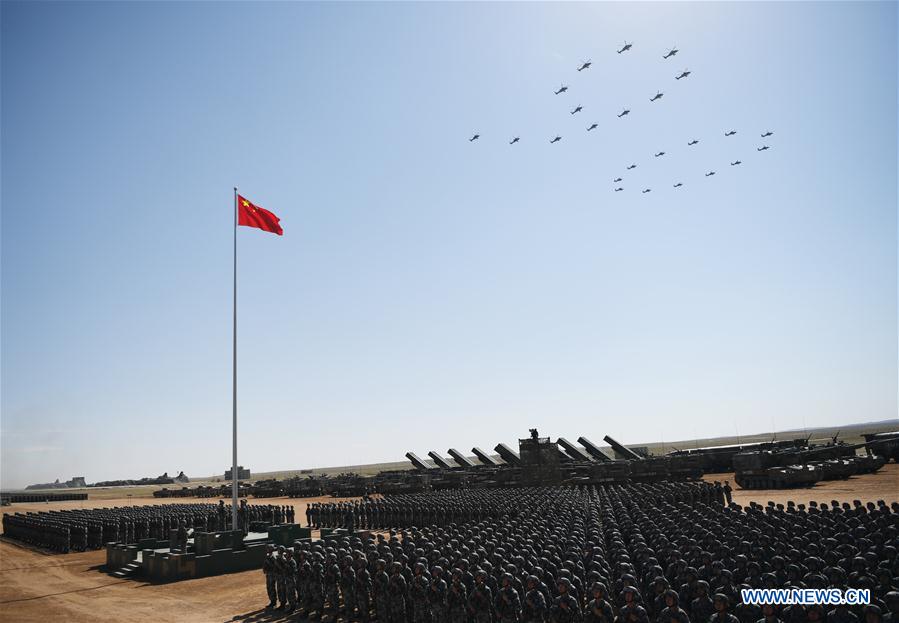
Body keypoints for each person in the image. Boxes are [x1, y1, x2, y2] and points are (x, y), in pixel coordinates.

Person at [263, 544, 278, 608]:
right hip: (268, 574)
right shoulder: (268, 556)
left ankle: (273, 602)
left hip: (272, 575)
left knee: (272, 588)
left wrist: (269, 564)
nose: (267, 549)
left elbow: (275, 566)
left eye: (268, 548)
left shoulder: (273, 557)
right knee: (269, 587)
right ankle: (271, 600)